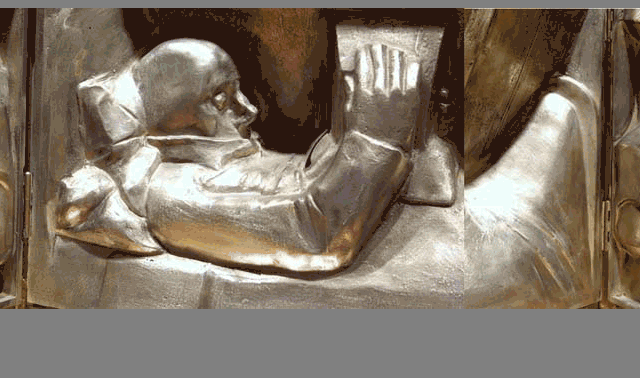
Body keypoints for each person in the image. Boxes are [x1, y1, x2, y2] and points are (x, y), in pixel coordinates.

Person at [55, 38, 423, 275]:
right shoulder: (169, 191)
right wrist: (376, 138)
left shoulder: (232, 158)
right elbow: (314, 232)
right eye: (220, 99)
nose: (248, 110)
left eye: (238, 91)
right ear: (173, 118)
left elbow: (301, 175)